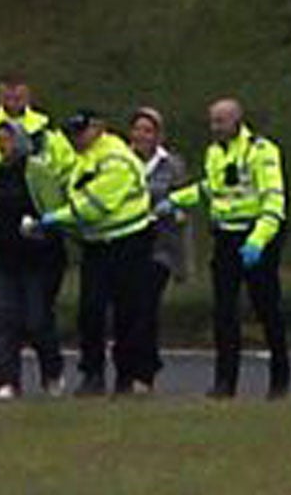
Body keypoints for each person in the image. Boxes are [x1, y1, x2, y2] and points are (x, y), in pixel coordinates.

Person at [168, 97, 290, 400]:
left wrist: (258, 241)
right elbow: (213, 187)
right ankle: (225, 381)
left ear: (237, 120)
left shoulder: (261, 151)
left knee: (268, 310)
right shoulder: (214, 153)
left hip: (256, 236)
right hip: (225, 237)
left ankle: (280, 378)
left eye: (220, 121)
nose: (215, 128)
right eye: (212, 122)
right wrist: (176, 199)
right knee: (223, 312)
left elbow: (274, 201)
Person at [36, 110, 157, 395]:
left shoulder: (116, 159)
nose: (76, 137)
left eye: (81, 131)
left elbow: (95, 205)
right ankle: (92, 374)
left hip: (129, 241)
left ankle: (126, 376)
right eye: (72, 132)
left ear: (99, 128)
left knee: (127, 312)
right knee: (90, 311)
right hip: (97, 244)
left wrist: (56, 218)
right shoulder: (85, 156)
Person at [0, 120, 65, 399]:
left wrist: (40, 225)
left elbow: (54, 211)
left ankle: (51, 372)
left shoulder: (38, 172)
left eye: (8, 139)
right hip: (2, 255)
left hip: (36, 257)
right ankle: (8, 380)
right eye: (0, 140)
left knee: (37, 318)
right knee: (6, 318)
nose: (4, 145)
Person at [127, 106, 186, 393]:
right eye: (137, 129)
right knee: (128, 309)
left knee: (147, 307)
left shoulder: (172, 165)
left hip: (159, 246)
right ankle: (134, 366)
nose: (142, 135)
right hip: (126, 243)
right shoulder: (121, 161)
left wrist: (173, 210)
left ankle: (144, 372)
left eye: (148, 130)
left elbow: (181, 202)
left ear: (158, 135)